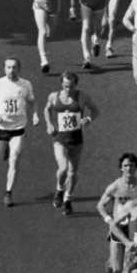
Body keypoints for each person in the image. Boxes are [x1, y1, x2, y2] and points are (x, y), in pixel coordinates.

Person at [0, 57, 39, 206]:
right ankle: (3, 150)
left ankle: (8, 193)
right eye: (8, 67)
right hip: (0, 129)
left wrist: (35, 114)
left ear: (19, 69)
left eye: (14, 67)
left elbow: (32, 101)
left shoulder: (25, 84)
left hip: (18, 128)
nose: (11, 70)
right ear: (4, 69)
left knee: (14, 159)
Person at [43, 69, 98, 215]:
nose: (69, 89)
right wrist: (49, 124)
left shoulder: (82, 96)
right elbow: (47, 110)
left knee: (73, 173)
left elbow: (95, 110)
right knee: (63, 169)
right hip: (60, 139)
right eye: (66, 86)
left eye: (71, 86)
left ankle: (68, 199)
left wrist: (88, 119)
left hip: (76, 139)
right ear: (61, 84)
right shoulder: (54, 97)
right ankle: (59, 190)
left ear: (76, 85)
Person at [96, 152, 137, 273]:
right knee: (117, 269)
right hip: (118, 227)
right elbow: (100, 205)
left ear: (136, 167)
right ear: (121, 168)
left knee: (131, 266)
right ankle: (112, 260)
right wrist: (108, 220)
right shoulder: (115, 186)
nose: (128, 168)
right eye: (125, 165)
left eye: (131, 165)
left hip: (134, 228)